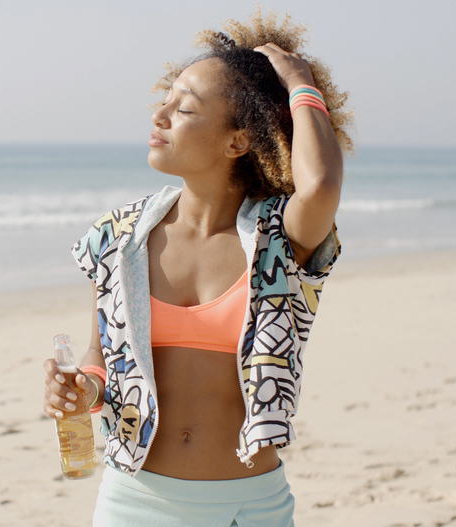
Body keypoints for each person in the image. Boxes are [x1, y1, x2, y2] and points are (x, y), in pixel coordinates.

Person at [42, 10, 353, 527]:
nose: (159, 117)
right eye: (163, 102)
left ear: (238, 140)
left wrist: (300, 84)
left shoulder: (279, 240)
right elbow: (101, 359)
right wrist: (83, 391)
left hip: (250, 504)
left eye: (183, 109)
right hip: (136, 499)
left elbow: (320, 185)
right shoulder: (119, 237)